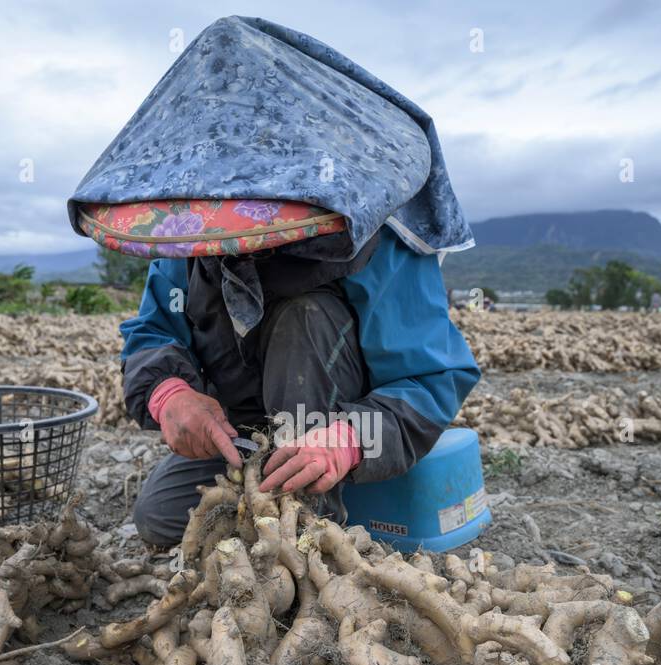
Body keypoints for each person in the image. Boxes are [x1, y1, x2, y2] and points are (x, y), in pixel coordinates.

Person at [66, 17, 480, 547]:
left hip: (341, 419)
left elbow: (432, 381)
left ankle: (306, 529)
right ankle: (274, 501)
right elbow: (152, 334)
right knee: (163, 519)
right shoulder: (187, 235)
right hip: (244, 433)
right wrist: (170, 395)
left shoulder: (382, 240)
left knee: (303, 315)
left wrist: (351, 438)